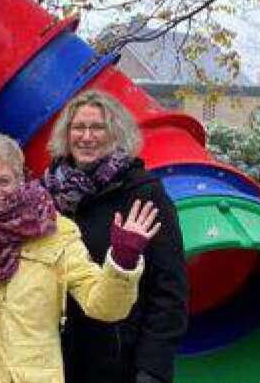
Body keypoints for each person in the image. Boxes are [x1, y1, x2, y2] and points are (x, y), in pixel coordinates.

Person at [0, 133, 158, 383]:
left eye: (4, 181)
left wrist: (123, 260)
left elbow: (104, 307)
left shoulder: (56, 232)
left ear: (21, 178)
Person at [41, 91, 188, 383]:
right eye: (78, 128)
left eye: (97, 128)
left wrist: (152, 368)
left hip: (119, 360)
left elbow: (169, 288)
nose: (86, 136)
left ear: (116, 134)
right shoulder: (45, 195)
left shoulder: (143, 194)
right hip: (52, 359)